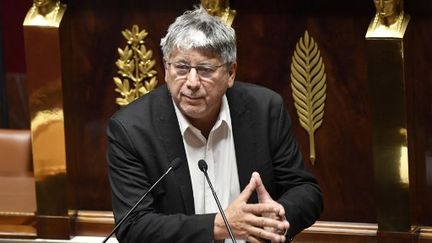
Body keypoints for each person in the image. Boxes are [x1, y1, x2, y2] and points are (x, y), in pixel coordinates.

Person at [107, 7, 323, 243]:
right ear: (166, 70)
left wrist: (275, 217)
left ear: (230, 73)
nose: (191, 82)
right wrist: (218, 226)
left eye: (205, 70)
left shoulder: (265, 110)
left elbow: (307, 191)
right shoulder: (131, 129)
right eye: (180, 67)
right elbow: (132, 226)